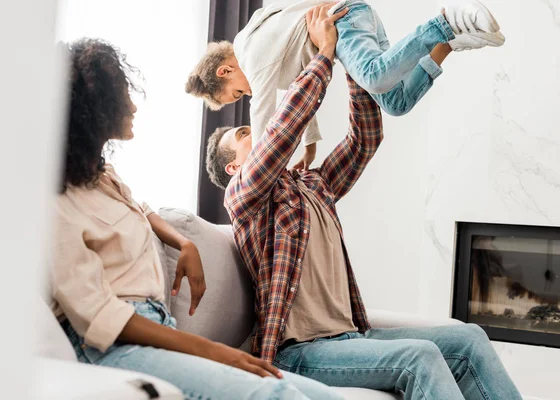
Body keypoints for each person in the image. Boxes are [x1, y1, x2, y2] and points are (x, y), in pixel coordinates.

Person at [203, 9, 522, 399]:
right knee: (418, 357)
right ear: (234, 166)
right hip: (300, 352)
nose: (255, 131)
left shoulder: (312, 187)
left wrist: (352, 64)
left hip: (350, 336)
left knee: (468, 337)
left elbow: (365, 139)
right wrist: (323, 53)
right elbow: (283, 129)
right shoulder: (243, 197)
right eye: (243, 133)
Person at [51, 38, 346, 400]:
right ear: (91, 108)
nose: (132, 105)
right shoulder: (54, 201)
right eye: (123, 94)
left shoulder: (103, 177)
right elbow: (97, 315)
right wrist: (211, 349)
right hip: (113, 349)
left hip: (158, 329)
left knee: (327, 397)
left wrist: (183, 242)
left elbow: (141, 210)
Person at [187, 0, 505, 170]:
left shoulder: (253, 56)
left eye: (238, 92)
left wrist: (258, 164)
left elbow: (264, 113)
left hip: (345, 19)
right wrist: (311, 145)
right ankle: (449, 43)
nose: (248, 95)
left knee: (374, 75)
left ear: (225, 71)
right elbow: (296, 95)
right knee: (394, 103)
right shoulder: (259, 46)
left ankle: (445, 21)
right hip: (353, 22)